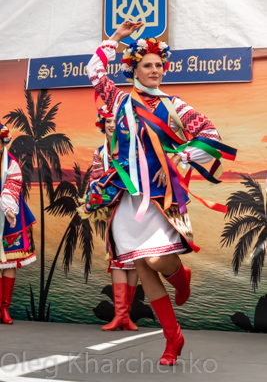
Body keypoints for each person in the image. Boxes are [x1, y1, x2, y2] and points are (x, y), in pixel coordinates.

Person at [85, 21, 236, 365]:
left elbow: (210, 135)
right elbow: (94, 70)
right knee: (142, 264)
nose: (155, 70)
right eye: (147, 65)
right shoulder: (119, 98)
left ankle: (182, 280)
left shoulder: (174, 105)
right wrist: (117, 39)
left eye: (158, 65)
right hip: (127, 196)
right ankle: (173, 339)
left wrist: (179, 157)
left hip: (160, 196)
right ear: (134, 69)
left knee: (154, 258)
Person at [90, 106, 138, 331]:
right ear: (103, 124)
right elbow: (95, 180)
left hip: (136, 209)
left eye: (115, 121)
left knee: (134, 259)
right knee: (118, 258)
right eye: (107, 121)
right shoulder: (99, 153)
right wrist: (92, 200)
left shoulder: (135, 150)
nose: (111, 125)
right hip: (115, 211)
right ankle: (120, 315)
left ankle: (127, 315)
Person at [0, 123, 36, 324]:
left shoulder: (11, 163)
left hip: (10, 215)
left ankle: (5, 308)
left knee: (9, 261)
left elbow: (12, 188)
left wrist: (8, 211)